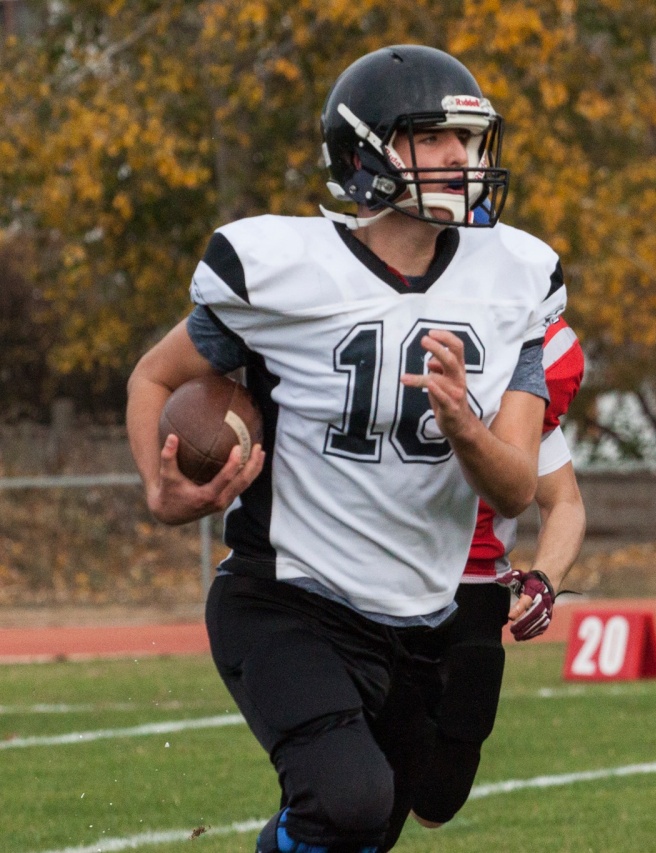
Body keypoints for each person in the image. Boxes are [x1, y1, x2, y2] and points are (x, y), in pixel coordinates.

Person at [125, 44, 566, 853]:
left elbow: (512, 491)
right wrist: (160, 490)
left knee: (366, 825)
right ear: (364, 154)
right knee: (349, 799)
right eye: (430, 137)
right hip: (286, 594)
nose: (458, 157)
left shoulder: (516, 279)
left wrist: (465, 426)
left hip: (419, 618)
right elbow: (154, 376)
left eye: (466, 139)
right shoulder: (281, 270)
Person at [374, 315, 586, 848]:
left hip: (474, 588)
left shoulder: (532, 348)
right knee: (359, 786)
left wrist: (545, 579)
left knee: (437, 798)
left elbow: (564, 502)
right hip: (377, 579)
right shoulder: (391, 332)